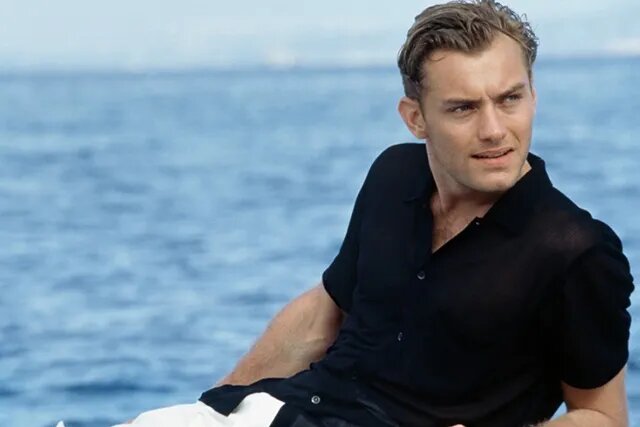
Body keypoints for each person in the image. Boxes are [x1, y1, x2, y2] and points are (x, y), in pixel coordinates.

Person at [108, 1, 635, 426]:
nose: (494, 130)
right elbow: (323, 313)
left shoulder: (577, 250)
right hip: (284, 409)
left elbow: (603, 415)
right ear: (415, 119)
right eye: (463, 108)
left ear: (533, 97)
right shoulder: (394, 175)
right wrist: (214, 407)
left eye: (510, 99)